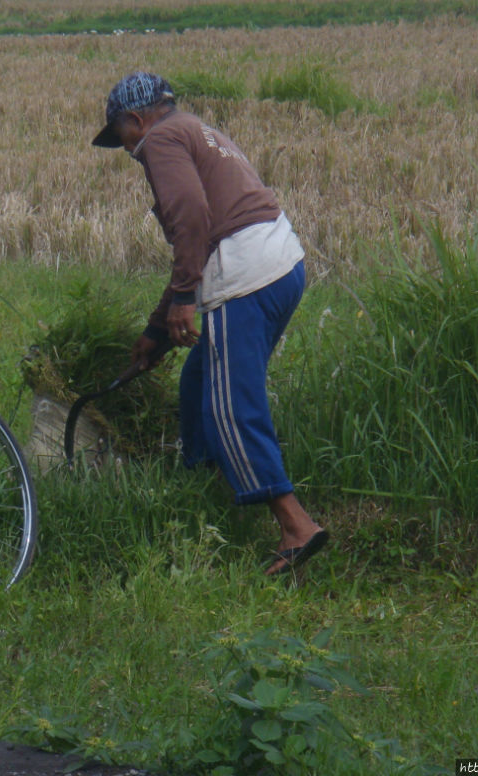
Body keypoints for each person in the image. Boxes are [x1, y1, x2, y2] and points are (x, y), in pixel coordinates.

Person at [91, 71, 327, 576]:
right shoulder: (197, 130)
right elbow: (197, 236)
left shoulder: (159, 140)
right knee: (200, 379)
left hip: (245, 277)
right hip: (282, 264)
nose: (126, 150)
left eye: (122, 136)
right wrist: (158, 329)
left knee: (231, 407)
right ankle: (200, 490)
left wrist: (183, 301)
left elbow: (193, 219)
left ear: (137, 119)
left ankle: (294, 525)